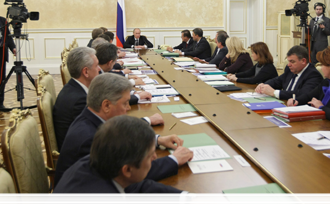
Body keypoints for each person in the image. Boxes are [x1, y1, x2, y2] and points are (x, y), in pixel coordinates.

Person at [54, 74, 191, 187]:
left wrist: (156, 140)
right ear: (106, 105)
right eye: (125, 103)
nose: (128, 108)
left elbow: (121, 138)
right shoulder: (90, 138)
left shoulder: (91, 117)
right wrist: (174, 159)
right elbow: (129, 174)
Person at [49, 115, 216, 204]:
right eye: (150, 155)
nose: (155, 157)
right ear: (127, 169)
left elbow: (136, 188)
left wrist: (189, 199)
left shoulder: (92, 162)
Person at [256, 45, 323, 100]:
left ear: (303, 61)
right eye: (289, 61)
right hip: (284, 103)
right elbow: (277, 81)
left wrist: (274, 92)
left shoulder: (313, 75)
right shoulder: (290, 69)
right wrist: (263, 85)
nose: (289, 64)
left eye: (292, 61)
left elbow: (302, 94)